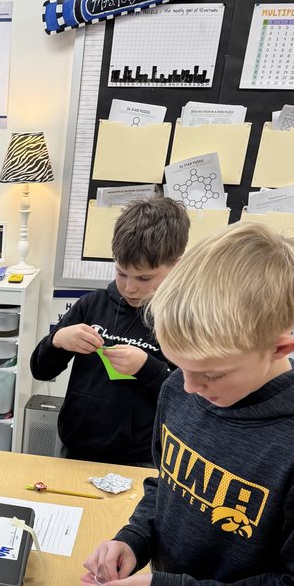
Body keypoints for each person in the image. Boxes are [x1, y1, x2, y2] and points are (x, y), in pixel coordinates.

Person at [80, 223, 294, 586]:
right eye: (178, 366)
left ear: (282, 346)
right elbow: (167, 486)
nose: (186, 388)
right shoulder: (180, 389)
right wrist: (134, 540)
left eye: (209, 375)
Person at [30, 194, 190, 465]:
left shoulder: (183, 320)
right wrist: (58, 341)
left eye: (144, 278)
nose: (130, 287)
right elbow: (40, 369)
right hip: (75, 448)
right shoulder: (92, 304)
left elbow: (189, 402)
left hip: (138, 460)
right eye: (121, 273)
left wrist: (147, 368)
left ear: (176, 265)